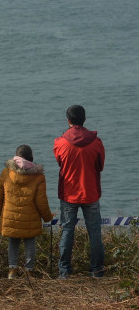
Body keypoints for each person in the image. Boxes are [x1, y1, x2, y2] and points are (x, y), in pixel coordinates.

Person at [54, 105, 105, 278]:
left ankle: (64, 270)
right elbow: (100, 166)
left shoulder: (60, 142)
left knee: (67, 230)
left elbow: (60, 162)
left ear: (68, 120)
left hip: (69, 193)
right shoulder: (96, 142)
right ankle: (97, 269)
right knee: (94, 231)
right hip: (90, 191)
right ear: (84, 119)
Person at [0, 145, 53, 278]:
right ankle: (29, 270)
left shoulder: (7, 172)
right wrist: (48, 217)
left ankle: (12, 270)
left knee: (13, 241)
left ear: (16, 157)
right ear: (31, 158)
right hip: (30, 218)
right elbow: (41, 201)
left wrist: (0, 215)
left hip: (10, 215)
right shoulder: (38, 176)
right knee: (30, 241)